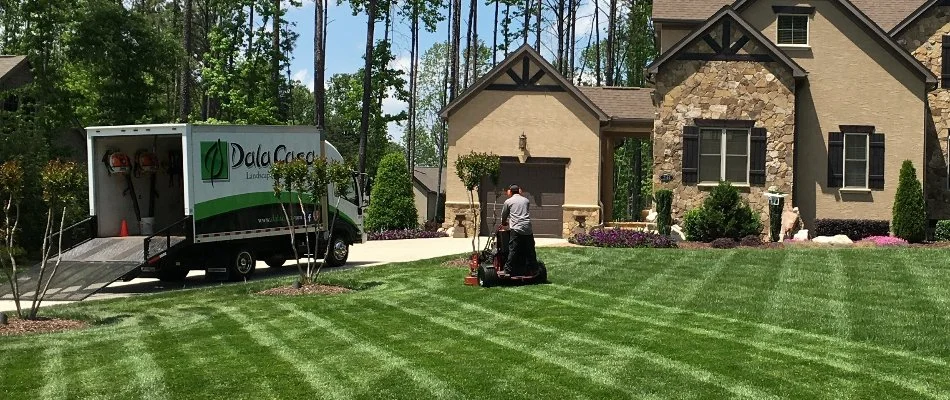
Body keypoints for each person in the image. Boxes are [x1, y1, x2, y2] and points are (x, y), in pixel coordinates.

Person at [500, 184, 538, 275]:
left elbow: (504, 215)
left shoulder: (508, 202)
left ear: (511, 192)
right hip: (527, 228)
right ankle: (534, 269)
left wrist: (504, 223)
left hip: (516, 228)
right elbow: (523, 213)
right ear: (519, 191)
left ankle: (507, 270)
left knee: (513, 249)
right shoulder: (526, 201)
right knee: (530, 250)